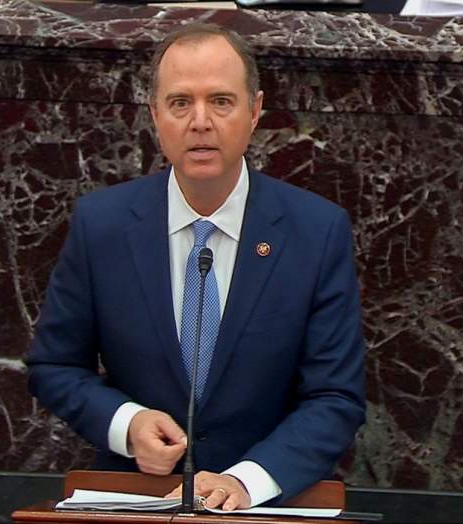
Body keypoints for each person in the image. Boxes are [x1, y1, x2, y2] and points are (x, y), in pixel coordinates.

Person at [25, 23, 365, 511]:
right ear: (155, 115)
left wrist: (248, 481)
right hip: (137, 499)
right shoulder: (102, 225)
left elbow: (336, 396)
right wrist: (127, 423)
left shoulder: (316, 231)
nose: (200, 121)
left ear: (255, 111)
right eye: (180, 103)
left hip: (267, 505)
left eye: (221, 101)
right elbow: (54, 365)